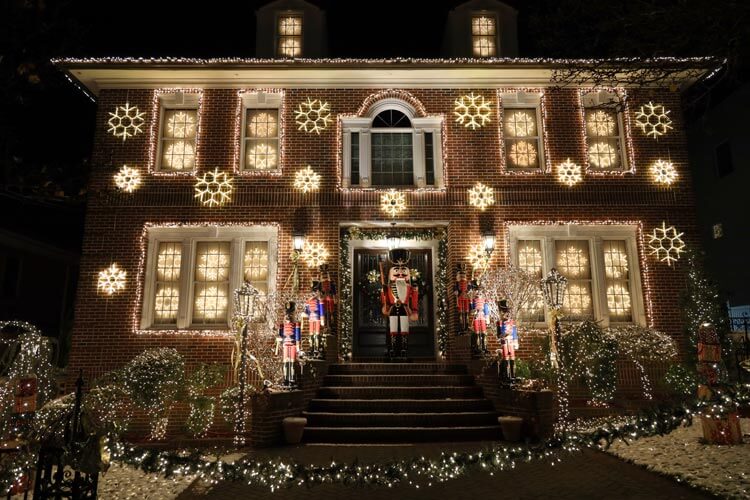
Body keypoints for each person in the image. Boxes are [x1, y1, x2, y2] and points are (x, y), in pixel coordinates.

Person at [380, 248, 418, 359]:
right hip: (392, 309)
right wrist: (383, 294)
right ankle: (392, 349)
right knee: (393, 330)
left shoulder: (411, 287)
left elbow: (414, 300)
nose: (400, 273)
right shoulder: (388, 287)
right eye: (397, 271)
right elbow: (385, 300)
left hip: (405, 309)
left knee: (405, 330)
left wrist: (415, 310)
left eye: (403, 271)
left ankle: (404, 350)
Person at [276, 301, 301, 387]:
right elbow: (280, 334)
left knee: (292, 362)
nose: (288, 316)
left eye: (290, 314)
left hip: (293, 344)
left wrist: (298, 346)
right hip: (285, 345)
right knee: (286, 361)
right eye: (287, 314)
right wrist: (279, 338)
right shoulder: (282, 325)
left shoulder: (296, 324)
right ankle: (286, 378)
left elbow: (297, 336)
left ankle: (292, 378)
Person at [497, 300, 518, 383]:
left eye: (507, 312)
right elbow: (498, 335)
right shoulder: (499, 323)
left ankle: (513, 375)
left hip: (511, 341)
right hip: (504, 341)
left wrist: (516, 341)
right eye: (504, 312)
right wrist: (503, 335)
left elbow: (515, 332)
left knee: (512, 357)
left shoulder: (512, 322)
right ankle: (506, 375)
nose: (506, 314)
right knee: (505, 357)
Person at [303, 281, 326, 358]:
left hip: (317, 318)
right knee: (311, 334)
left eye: (315, 291)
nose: (314, 293)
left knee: (317, 334)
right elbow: (306, 309)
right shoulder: (309, 301)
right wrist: (305, 313)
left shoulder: (319, 301)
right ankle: (311, 349)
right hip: (311, 319)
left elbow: (322, 310)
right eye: (313, 291)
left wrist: (322, 318)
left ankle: (317, 349)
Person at [470, 280, 490, 355]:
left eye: (479, 290)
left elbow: (486, 309)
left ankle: (485, 347)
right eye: (476, 290)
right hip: (476, 317)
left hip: (483, 317)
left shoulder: (484, 300)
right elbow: (471, 309)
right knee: (477, 333)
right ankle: (478, 347)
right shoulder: (473, 300)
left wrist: (487, 318)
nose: (478, 292)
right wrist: (473, 311)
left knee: (484, 333)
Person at [454, 263, 472, 334]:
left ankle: (467, 326)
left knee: (467, 313)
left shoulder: (468, 283)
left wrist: (469, 292)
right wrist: (457, 292)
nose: (462, 275)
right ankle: (461, 327)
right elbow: (455, 292)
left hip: (466, 298)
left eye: (463, 274)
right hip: (460, 298)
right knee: (461, 313)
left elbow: (470, 291)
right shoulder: (457, 284)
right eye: (461, 274)